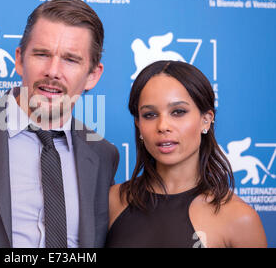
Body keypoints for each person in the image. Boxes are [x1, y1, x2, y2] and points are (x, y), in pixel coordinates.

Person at [0, 0, 119, 248]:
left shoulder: (103, 154)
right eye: (42, 54)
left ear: (93, 75)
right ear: (19, 59)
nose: (53, 71)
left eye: (70, 60)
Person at [106, 60, 267, 248]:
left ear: (206, 120)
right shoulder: (113, 201)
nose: (163, 126)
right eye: (150, 115)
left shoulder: (239, 218)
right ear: (138, 124)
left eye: (178, 112)